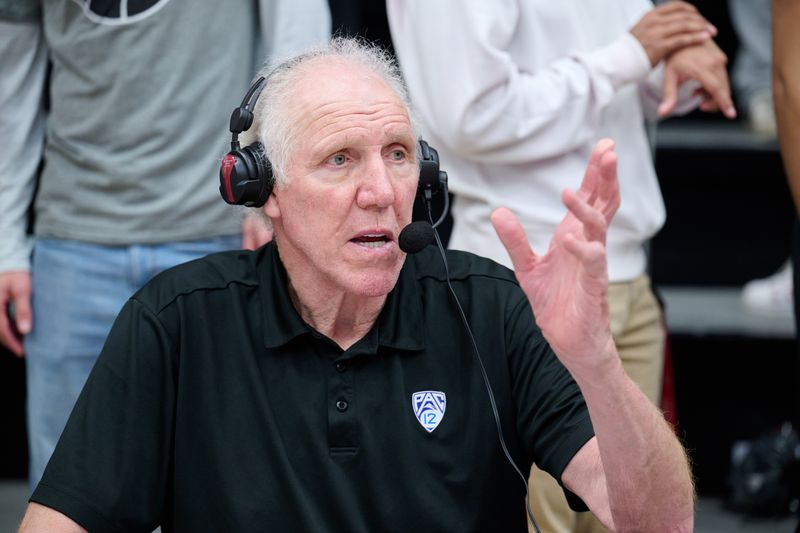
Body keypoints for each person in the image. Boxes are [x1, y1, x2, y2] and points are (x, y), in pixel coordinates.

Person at [16, 37, 694, 533]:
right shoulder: (177, 321)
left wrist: (596, 360)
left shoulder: (493, 306)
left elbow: (660, 522)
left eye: (398, 155)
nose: (380, 192)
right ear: (263, 189)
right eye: (340, 159)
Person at [386, 1, 734, 531]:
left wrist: (676, 62)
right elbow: (470, 116)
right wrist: (630, 53)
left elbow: (624, 79)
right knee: (544, 519)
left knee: (636, 514)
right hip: (525, 278)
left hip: (623, 271)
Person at [0, 0, 330, 491]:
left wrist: (271, 194)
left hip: (221, 233)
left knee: (233, 483)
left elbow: (297, 45)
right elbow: (10, 85)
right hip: (73, 242)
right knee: (67, 485)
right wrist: (5, 241)